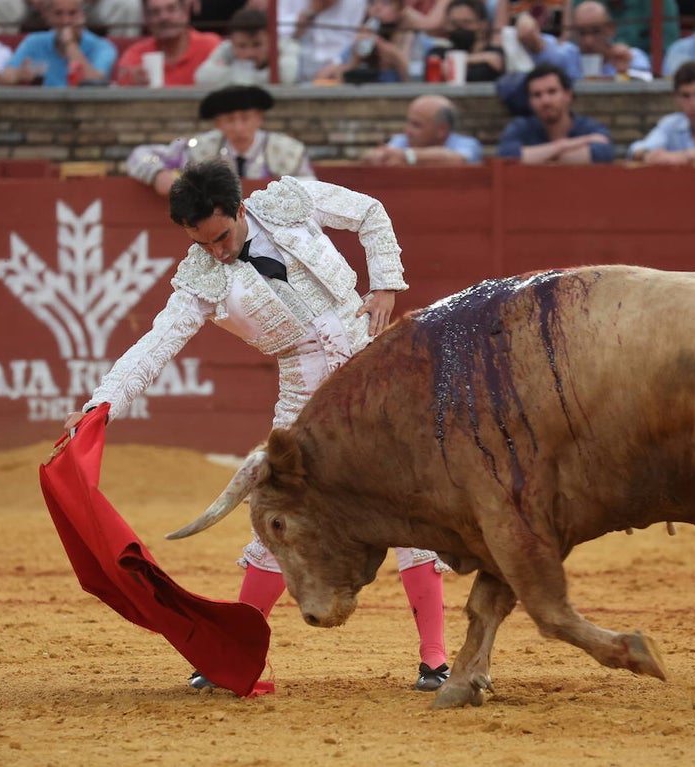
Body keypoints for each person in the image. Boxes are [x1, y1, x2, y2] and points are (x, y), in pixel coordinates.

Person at [61, 158, 452, 693]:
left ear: (240, 207)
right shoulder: (200, 278)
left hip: (370, 369)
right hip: (302, 390)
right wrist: (100, 405)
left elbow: (369, 213)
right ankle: (234, 652)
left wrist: (385, 285)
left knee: (409, 505)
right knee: (273, 514)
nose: (217, 252)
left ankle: (435, 660)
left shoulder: (287, 201)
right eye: (204, 244)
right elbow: (156, 344)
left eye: (222, 236)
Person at [126, 85, 314, 196]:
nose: (239, 127)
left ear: (259, 118)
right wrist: (156, 173)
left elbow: (310, 193)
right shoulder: (200, 149)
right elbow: (140, 155)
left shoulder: (287, 150)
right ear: (218, 124)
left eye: (245, 118)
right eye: (230, 120)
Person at [497, 62, 614, 163]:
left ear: (567, 95)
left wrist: (538, 156)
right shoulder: (520, 127)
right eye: (537, 95)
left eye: (552, 92)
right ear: (530, 101)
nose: (545, 101)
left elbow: (603, 153)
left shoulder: (587, 126)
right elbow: (507, 156)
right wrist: (563, 145)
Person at [0, 0, 118, 85]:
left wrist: (70, 45)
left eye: (72, 13)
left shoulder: (103, 47)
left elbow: (93, 83)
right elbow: (4, 77)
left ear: (82, 15)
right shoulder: (33, 41)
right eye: (58, 13)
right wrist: (18, 75)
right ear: (47, 16)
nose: (65, 21)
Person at [116, 0, 220, 85]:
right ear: (147, 20)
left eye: (171, 9)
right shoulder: (136, 53)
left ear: (186, 14)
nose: (164, 17)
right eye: (155, 12)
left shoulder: (210, 46)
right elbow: (117, 92)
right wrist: (131, 83)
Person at [315, 0, 419, 82]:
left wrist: (390, 53)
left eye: (386, 2)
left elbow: (414, 81)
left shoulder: (416, 41)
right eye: (372, 2)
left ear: (400, 9)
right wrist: (354, 61)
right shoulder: (363, 39)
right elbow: (322, 77)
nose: (378, 8)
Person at [194, 7, 301, 86]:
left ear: (271, 40)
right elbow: (202, 77)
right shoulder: (227, 48)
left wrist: (235, 77)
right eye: (242, 46)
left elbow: (287, 76)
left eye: (257, 45)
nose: (250, 53)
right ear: (232, 43)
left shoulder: (286, 46)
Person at [364, 94, 485, 164]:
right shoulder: (403, 141)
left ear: (441, 130)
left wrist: (408, 156)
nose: (408, 130)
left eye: (416, 125)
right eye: (409, 122)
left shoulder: (467, 144)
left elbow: (459, 159)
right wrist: (375, 156)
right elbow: (377, 155)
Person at [282, 0, 369, 82]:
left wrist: (340, 62)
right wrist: (312, 10)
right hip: (297, 64)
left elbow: (367, 33)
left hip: (344, 69)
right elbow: (276, 31)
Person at [571, 0, 653, 80]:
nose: (588, 41)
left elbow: (649, 87)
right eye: (581, 33)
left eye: (596, 32)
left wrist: (623, 73)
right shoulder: (567, 58)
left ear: (611, 29)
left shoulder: (632, 57)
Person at [426, 0, 506, 81]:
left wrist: (451, 63)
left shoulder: (496, 53)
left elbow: (480, 76)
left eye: (466, 23)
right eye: (454, 24)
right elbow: (435, 66)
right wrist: (481, 58)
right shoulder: (438, 52)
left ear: (483, 25)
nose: (460, 28)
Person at [0, 0, 144, 37]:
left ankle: (123, 66)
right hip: (35, 6)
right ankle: (2, 61)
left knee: (127, 4)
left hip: (87, 5)